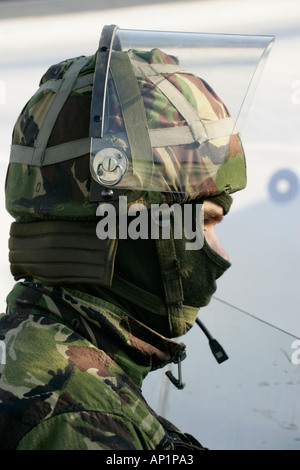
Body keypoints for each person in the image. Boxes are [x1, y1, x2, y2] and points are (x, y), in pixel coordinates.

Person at [0, 27, 248, 450]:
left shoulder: (27, 348)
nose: (222, 255)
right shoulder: (75, 417)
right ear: (132, 230)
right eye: (205, 224)